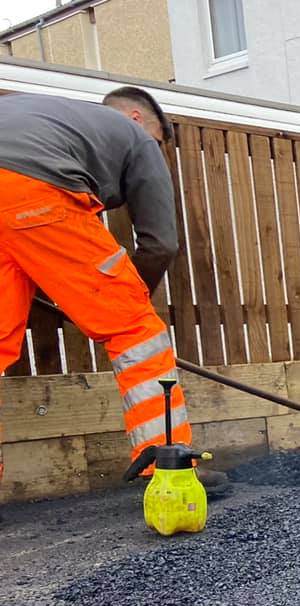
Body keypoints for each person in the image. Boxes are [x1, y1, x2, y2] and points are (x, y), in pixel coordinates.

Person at [0, 87, 226, 494]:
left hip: (21, 202)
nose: (157, 152)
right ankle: (167, 467)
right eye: (161, 143)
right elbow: (160, 243)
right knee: (136, 332)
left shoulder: (50, 114)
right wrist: (127, 301)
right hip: (33, 195)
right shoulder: (136, 136)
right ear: (138, 119)